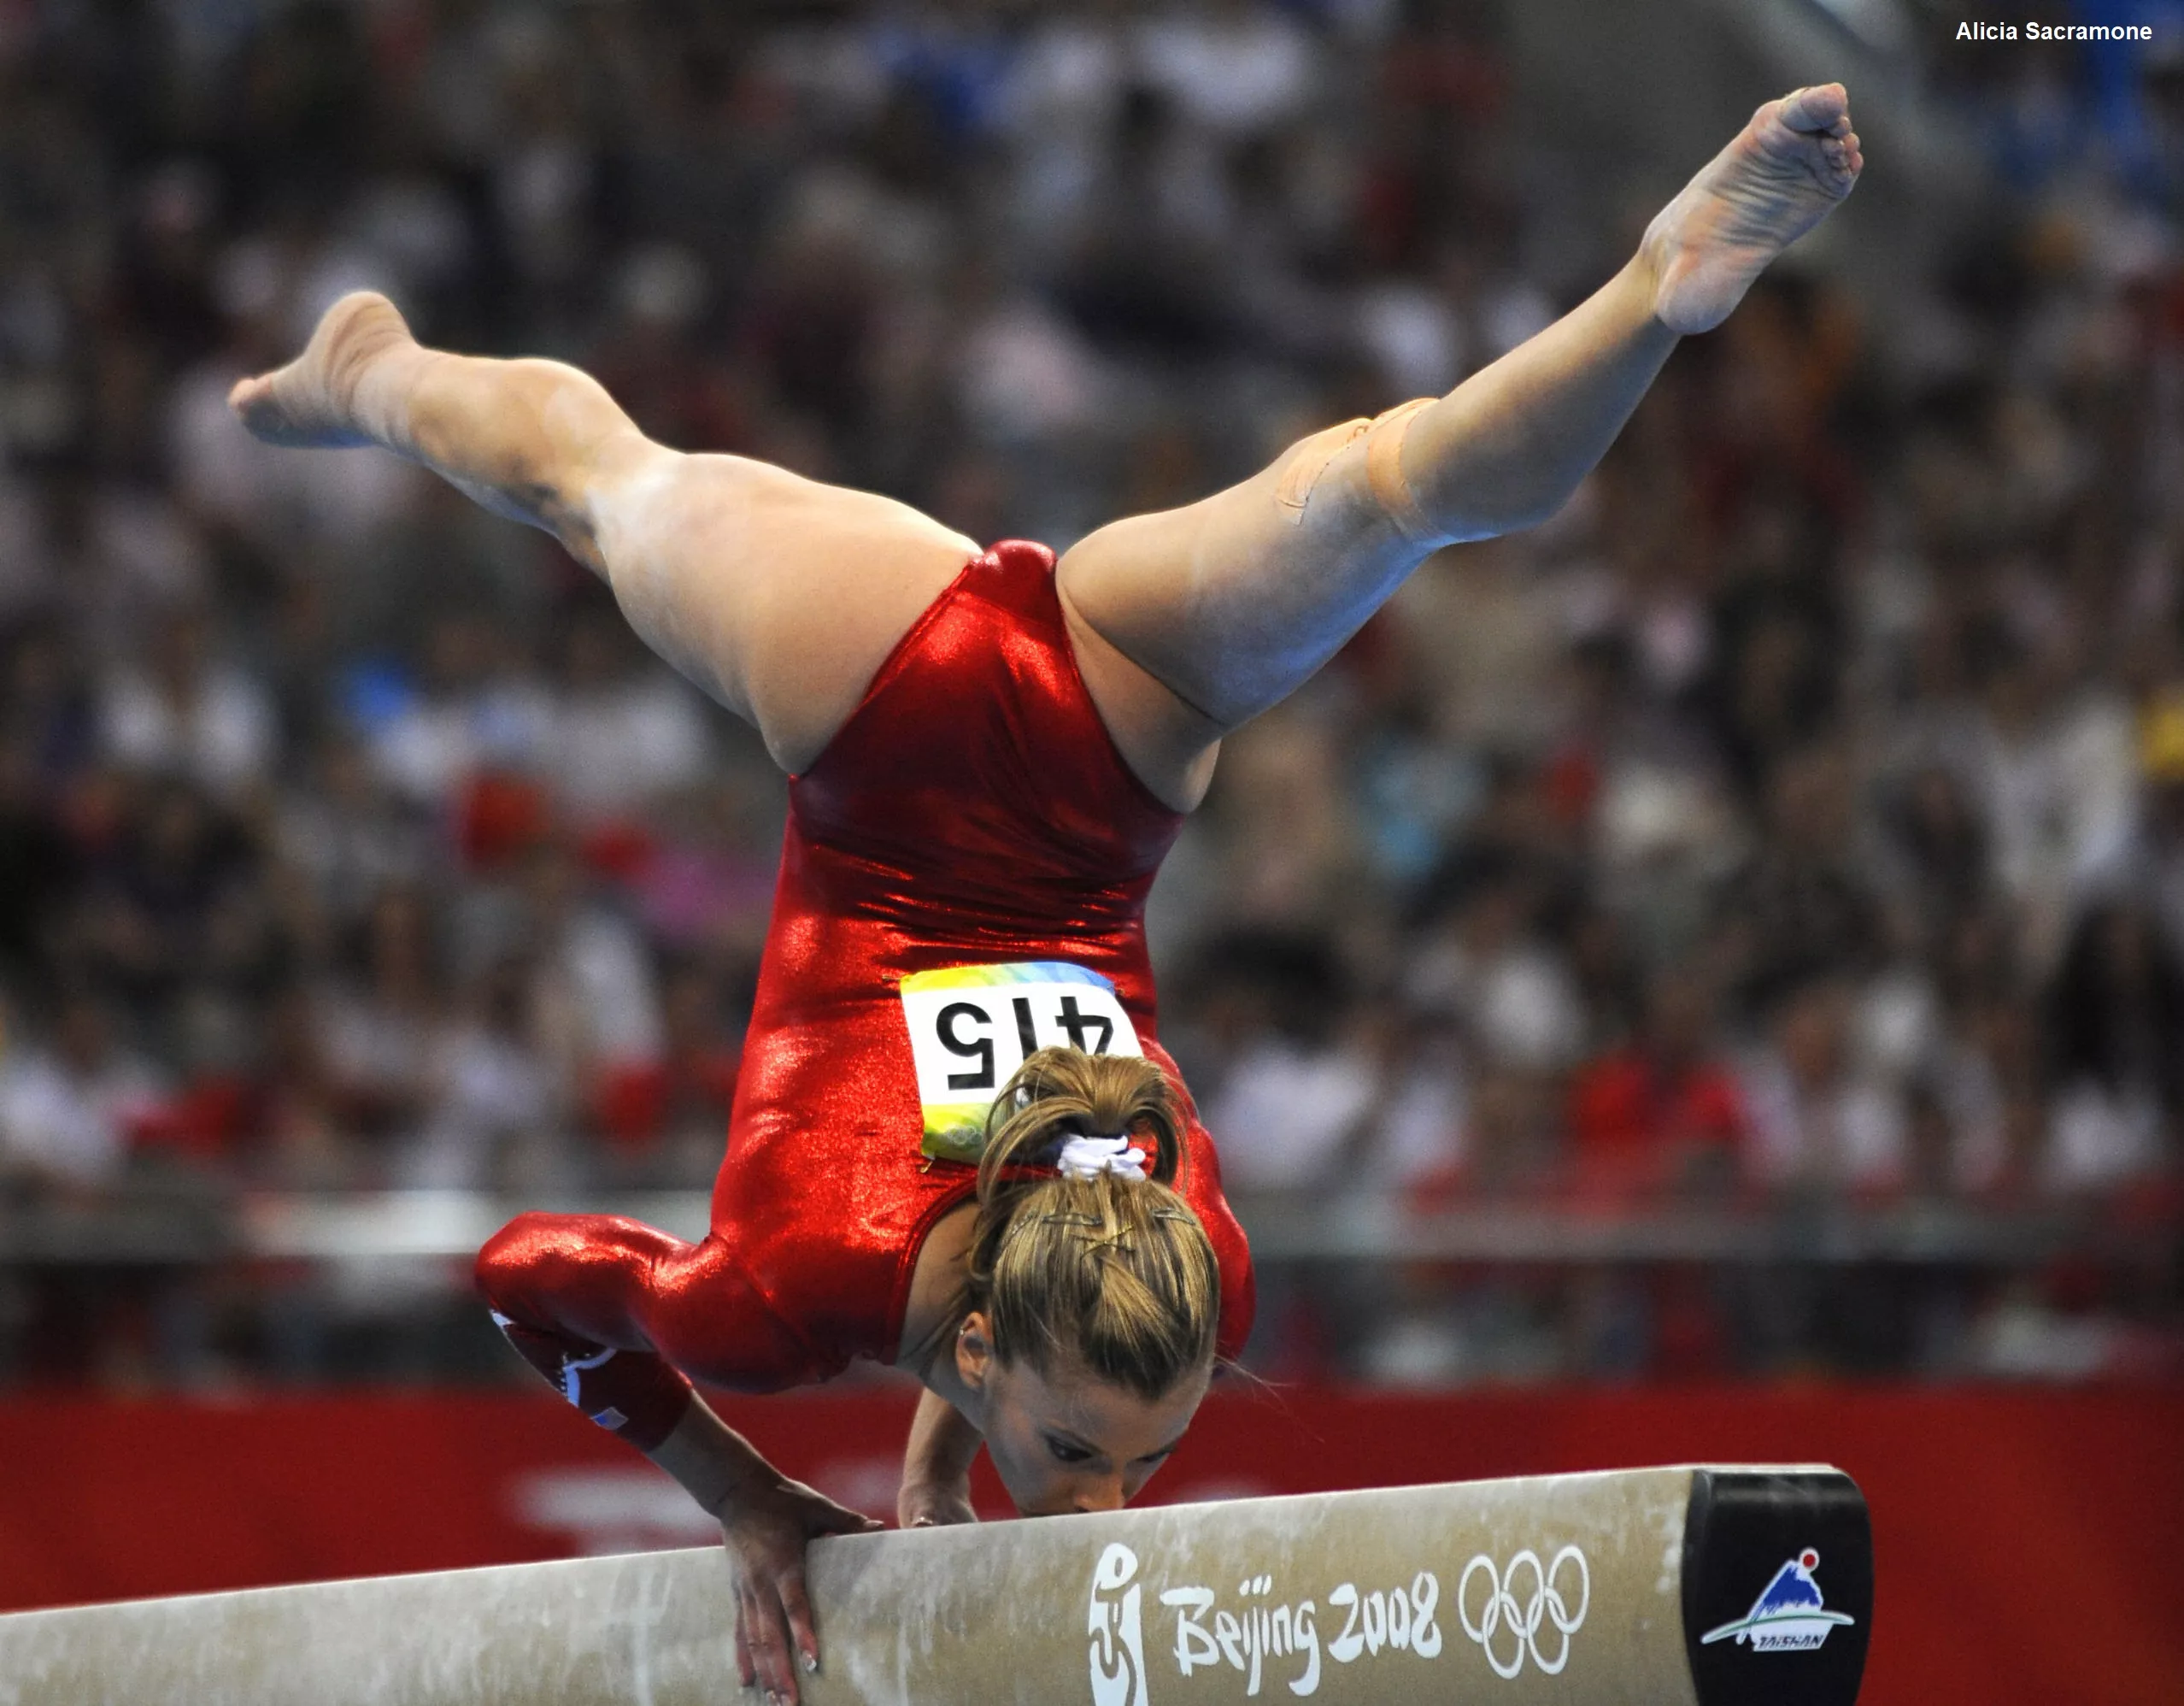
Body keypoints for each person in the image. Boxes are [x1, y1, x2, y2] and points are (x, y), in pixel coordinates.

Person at [231, 85, 1863, 1705]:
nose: (1098, 1510)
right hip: (880, 704)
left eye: (1111, 1459)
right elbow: (552, 1277)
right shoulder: (838, 1298)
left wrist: (943, 1472)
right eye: (1118, 1462)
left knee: (1391, 486)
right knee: (589, 480)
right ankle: (366, 371)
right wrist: (748, 1494)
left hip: (1090, 731)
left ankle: (1660, 288)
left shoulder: (1169, 1246)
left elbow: (895, 1234)